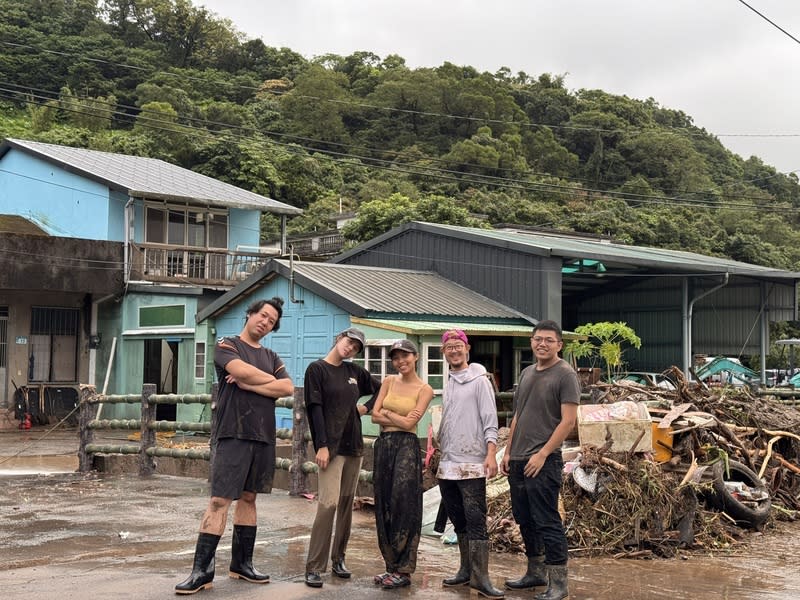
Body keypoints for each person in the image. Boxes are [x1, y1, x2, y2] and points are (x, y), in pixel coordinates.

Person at [175, 297, 294, 595]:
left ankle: (242, 564)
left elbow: (288, 387)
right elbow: (241, 371)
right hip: (233, 432)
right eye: (262, 315)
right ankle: (201, 570)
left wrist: (252, 385)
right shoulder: (227, 345)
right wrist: (262, 382)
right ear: (250, 314)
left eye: (271, 321)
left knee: (250, 498)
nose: (265, 322)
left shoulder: (271, 355)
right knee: (219, 501)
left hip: (263, 434)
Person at [500, 320, 580, 600]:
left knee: (547, 519)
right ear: (531, 342)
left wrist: (543, 453)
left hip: (544, 461)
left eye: (548, 340)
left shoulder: (565, 375)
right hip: (519, 458)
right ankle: (535, 572)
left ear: (559, 344)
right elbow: (518, 416)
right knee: (525, 519)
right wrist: (508, 451)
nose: (542, 344)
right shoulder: (527, 373)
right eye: (537, 339)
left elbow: (568, 421)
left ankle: (558, 583)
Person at [303, 327, 381, 588]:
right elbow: (315, 410)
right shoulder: (317, 370)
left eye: (356, 348)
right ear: (338, 339)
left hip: (354, 447)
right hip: (331, 448)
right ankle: (314, 566)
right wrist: (321, 445)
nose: (350, 349)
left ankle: (339, 559)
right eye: (349, 343)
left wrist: (366, 407)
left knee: (347, 504)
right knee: (328, 504)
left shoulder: (355, 373)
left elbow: (382, 388)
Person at [437, 329, 504, 599]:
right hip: (448, 462)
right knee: (458, 518)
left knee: (476, 519)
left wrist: (491, 453)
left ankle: (482, 577)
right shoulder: (450, 380)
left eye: (458, 346)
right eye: (449, 347)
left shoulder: (479, 381)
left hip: (473, 462)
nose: (454, 351)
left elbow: (490, 418)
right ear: (444, 353)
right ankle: (466, 570)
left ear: (468, 349)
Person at [370, 339, 434, 590]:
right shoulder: (388, 381)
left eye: (405, 356)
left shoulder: (424, 389)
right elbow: (374, 415)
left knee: (403, 503)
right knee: (383, 501)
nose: (401, 362)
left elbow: (409, 425)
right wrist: (393, 418)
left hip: (406, 447)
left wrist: (388, 415)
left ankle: (405, 569)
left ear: (415, 357)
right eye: (396, 358)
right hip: (384, 444)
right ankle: (390, 566)